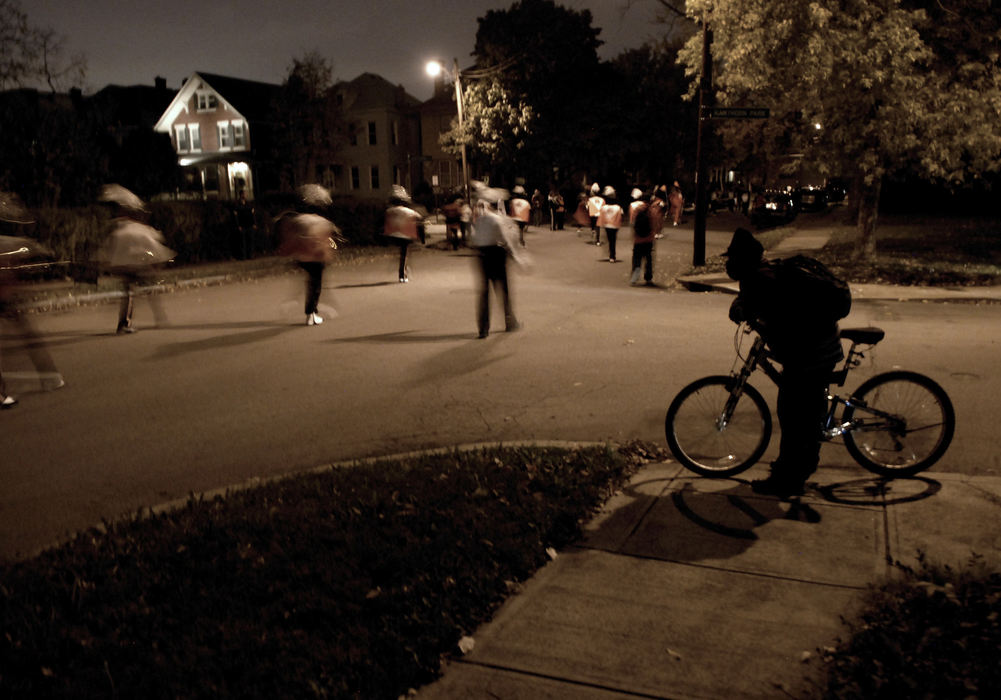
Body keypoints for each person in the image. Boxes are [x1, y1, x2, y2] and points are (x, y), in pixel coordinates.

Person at [723, 227, 845, 497]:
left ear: (743, 260)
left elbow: (753, 305)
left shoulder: (761, 279)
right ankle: (792, 468)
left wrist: (742, 310)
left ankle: (791, 478)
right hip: (814, 348)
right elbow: (752, 301)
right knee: (797, 410)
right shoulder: (763, 273)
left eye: (732, 259)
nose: (728, 264)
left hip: (813, 354)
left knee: (795, 416)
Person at [94, 191, 174, 334]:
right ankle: (153, 318)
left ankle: (125, 322)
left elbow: (108, 249)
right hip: (136, 266)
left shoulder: (120, 230)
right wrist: (158, 263)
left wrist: (106, 263)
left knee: (129, 293)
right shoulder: (139, 230)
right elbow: (154, 248)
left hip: (123, 266)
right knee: (146, 290)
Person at [469, 184, 519, 338]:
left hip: (481, 255)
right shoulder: (497, 220)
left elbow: (473, 239)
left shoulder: (479, 221)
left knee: (484, 293)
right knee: (503, 291)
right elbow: (506, 240)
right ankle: (510, 322)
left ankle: (483, 328)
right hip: (496, 254)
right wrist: (515, 256)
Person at [276, 209, 340, 325]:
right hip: (314, 258)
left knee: (311, 283)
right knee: (315, 286)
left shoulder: (300, 221)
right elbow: (326, 241)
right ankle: (311, 314)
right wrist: (327, 254)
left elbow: (293, 241)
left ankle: (310, 309)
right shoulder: (324, 223)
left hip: (302, 257)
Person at [383, 186, 422, 283]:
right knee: (404, 255)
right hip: (405, 236)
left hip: (394, 235)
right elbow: (419, 216)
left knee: (402, 254)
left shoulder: (390, 210)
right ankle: (402, 274)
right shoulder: (407, 211)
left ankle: (403, 270)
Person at [630, 190, 666, 286]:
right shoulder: (651, 210)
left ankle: (635, 274)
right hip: (649, 238)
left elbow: (633, 222)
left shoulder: (637, 209)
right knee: (648, 258)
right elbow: (655, 223)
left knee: (637, 257)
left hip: (638, 239)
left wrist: (634, 234)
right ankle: (648, 277)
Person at [597, 186, 623, 263]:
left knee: (610, 239)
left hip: (607, 226)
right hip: (615, 226)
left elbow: (601, 217)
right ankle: (612, 255)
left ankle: (611, 254)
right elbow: (621, 216)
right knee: (613, 240)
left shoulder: (604, 208)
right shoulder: (618, 207)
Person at [232, 190, 257, 259]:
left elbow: (252, 214)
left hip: (249, 224)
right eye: (242, 194)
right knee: (243, 242)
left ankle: (250, 255)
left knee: (250, 241)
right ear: (240, 195)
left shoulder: (248, 204)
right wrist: (238, 225)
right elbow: (236, 216)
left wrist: (254, 223)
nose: (244, 196)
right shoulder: (237, 204)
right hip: (242, 225)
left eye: (244, 194)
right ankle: (243, 256)